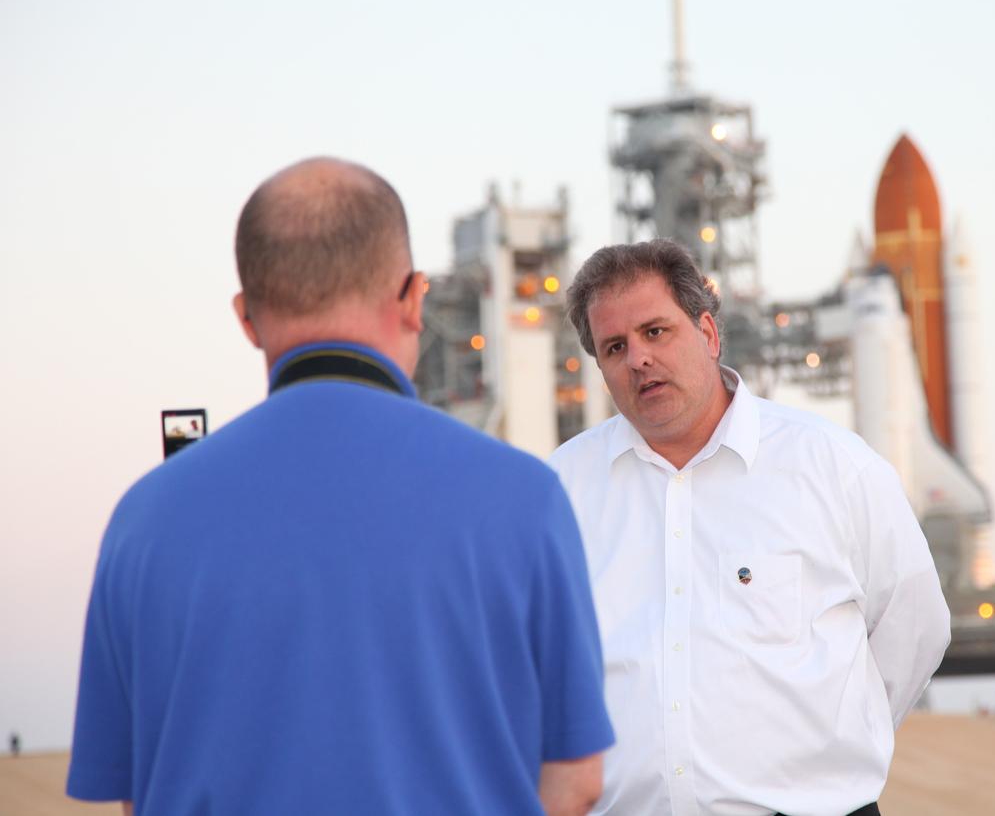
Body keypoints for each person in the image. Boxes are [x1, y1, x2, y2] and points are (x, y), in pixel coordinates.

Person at [67, 158, 613, 815]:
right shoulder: (527, 500)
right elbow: (577, 781)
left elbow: (135, 791)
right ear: (415, 299)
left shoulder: (142, 520)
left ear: (246, 317)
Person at [549, 239, 951, 815]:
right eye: (615, 346)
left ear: (708, 335)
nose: (637, 358)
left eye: (656, 332)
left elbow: (916, 628)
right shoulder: (560, 490)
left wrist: (831, 753)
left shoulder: (834, 467)